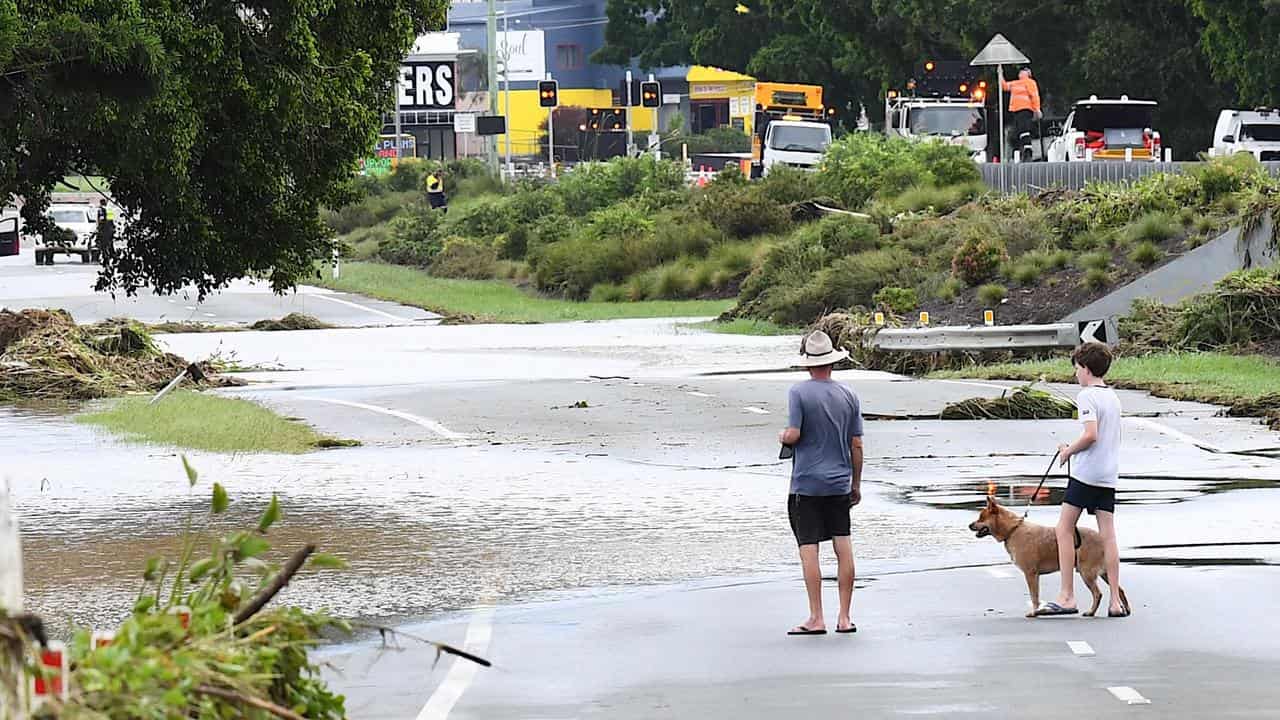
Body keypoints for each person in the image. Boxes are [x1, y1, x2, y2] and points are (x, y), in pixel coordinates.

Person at [778, 330, 865, 636]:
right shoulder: (849, 395)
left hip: (806, 484)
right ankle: (845, 617)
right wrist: (856, 484)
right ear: (832, 363)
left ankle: (816, 617)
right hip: (839, 483)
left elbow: (795, 434)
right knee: (843, 544)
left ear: (807, 364)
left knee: (809, 549)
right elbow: (856, 444)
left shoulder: (798, 393)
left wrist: (783, 436)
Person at [1039, 342, 1127, 617]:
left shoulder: (1087, 396)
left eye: (1077, 368)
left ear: (1086, 369)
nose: (1076, 374)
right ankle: (1115, 601)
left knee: (1063, 529)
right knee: (1108, 536)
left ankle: (1066, 596)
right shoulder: (1113, 397)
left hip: (1086, 473)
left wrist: (1068, 451)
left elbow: (1091, 435)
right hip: (1108, 474)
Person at [1000, 66, 1042, 161]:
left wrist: (1037, 109)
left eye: (1023, 71)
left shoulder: (1030, 82)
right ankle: (1024, 149)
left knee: (1024, 129)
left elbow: (1035, 96)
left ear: (1028, 74)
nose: (1020, 72)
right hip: (1016, 110)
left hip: (1025, 109)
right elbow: (1004, 86)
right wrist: (1000, 74)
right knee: (1019, 131)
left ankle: (1028, 150)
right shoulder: (1016, 83)